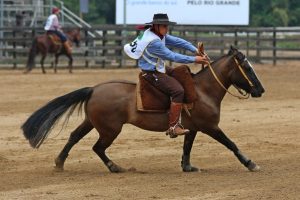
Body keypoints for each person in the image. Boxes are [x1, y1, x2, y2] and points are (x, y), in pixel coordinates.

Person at [124, 13, 209, 138]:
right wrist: (195, 59)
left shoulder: (154, 33)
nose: (166, 28)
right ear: (156, 26)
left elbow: (177, 41)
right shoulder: (154, 42)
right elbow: (172, 56)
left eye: (167, 26)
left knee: (180, 73)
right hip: (152, 73)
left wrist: (195, 50)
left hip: (158, 67)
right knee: (178, 91)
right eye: (164, 26)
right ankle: (174, 126)